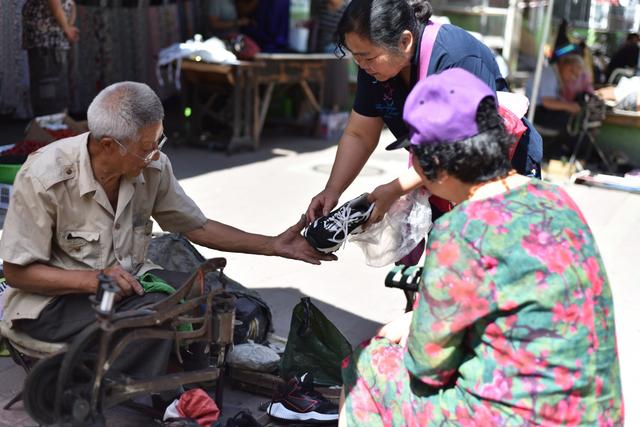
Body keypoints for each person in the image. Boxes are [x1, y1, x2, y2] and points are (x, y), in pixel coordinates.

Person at [339, 68, 624, 426]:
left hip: (516, 417)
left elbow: (427, 366)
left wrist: (408, 326)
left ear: (434, 165)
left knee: (370, 362)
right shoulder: (556, 199)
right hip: (598, 415)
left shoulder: (460, 231)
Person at [0, 82, 335, 381]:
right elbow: (17, 273)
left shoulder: (152, 167)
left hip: (125, 289)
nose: (156, 153)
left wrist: (273, 244)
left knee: (209, 297)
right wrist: (94, 279)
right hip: (50, 304)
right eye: (146, 146)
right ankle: (163, 392)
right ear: (107, 146)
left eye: (159, 139)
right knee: (157, 314)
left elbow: (197, 226)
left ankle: (176, 386)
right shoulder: (45, 177)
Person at [305, 0, 543, 229]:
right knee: (448, 250)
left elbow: (463, 145)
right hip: (439, 177)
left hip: (493, 171)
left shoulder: (454, 55)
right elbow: (359, 134)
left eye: (367, 57)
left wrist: (396, 189)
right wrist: (332, 190)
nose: (361, 65)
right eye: (355, 56)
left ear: (405, 41)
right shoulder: (373, 65)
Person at [22, 0, 79, 116]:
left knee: (56, 85)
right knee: (49, 86)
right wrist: (67, 29)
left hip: (56, 39)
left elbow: (70, 4)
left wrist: (69, 27)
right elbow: (55, 3)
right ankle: (49, 125)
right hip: (47, 40)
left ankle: (54, 122)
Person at [525, 54, 585, 134]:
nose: (572, 77)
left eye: (575, 76)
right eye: (572, 71)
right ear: (564, 65)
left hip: (539, 109)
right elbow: (547, 102)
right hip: (535, 111)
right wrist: (569, 106)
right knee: (569, 124)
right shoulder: (550, 74)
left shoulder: (554, 74)